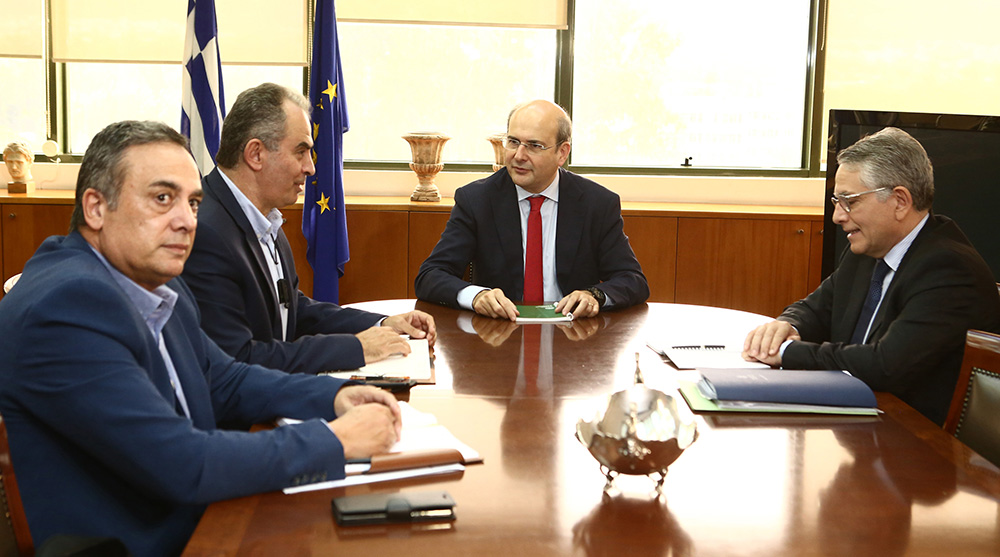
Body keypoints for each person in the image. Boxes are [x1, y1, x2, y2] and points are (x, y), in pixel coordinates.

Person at [0, 120, 401, 555]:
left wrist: (335, 396)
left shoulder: (155, 279)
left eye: (192, 203)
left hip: (195, 519)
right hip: (136, 542)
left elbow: (222, 378)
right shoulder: (69, 305)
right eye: (162, 198)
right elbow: (181, 462)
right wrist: (337, 441)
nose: (186, 221)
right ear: (96, 208)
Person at [742, 127, 1000, 425]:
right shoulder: (865, 250)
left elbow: (885, 364)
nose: (838, 216)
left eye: (850, 201)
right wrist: (787, 325)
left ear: (900, 201)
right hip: (856, 417)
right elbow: (817, 308)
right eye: (836, 202)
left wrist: (788, 352)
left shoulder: (949, 269)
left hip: (912, 434)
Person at [182, 83, 435, 374]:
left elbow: (292, 310)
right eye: (300, 152)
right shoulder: (205, 233)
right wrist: (355, 349)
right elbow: (239, 360)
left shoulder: (265, 217)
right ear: (255, 154)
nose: (310, 168)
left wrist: (382, 323)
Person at [415, 100, 648, 320]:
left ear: (562, 153)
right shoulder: (477, 201)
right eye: (513, 142)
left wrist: (593, 295)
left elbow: (632, 280)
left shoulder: (596, 204)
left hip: (573, 333)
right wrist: (476, 296)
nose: (519, 156)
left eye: (534, 146)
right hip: (500, 332)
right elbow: (431, 275)